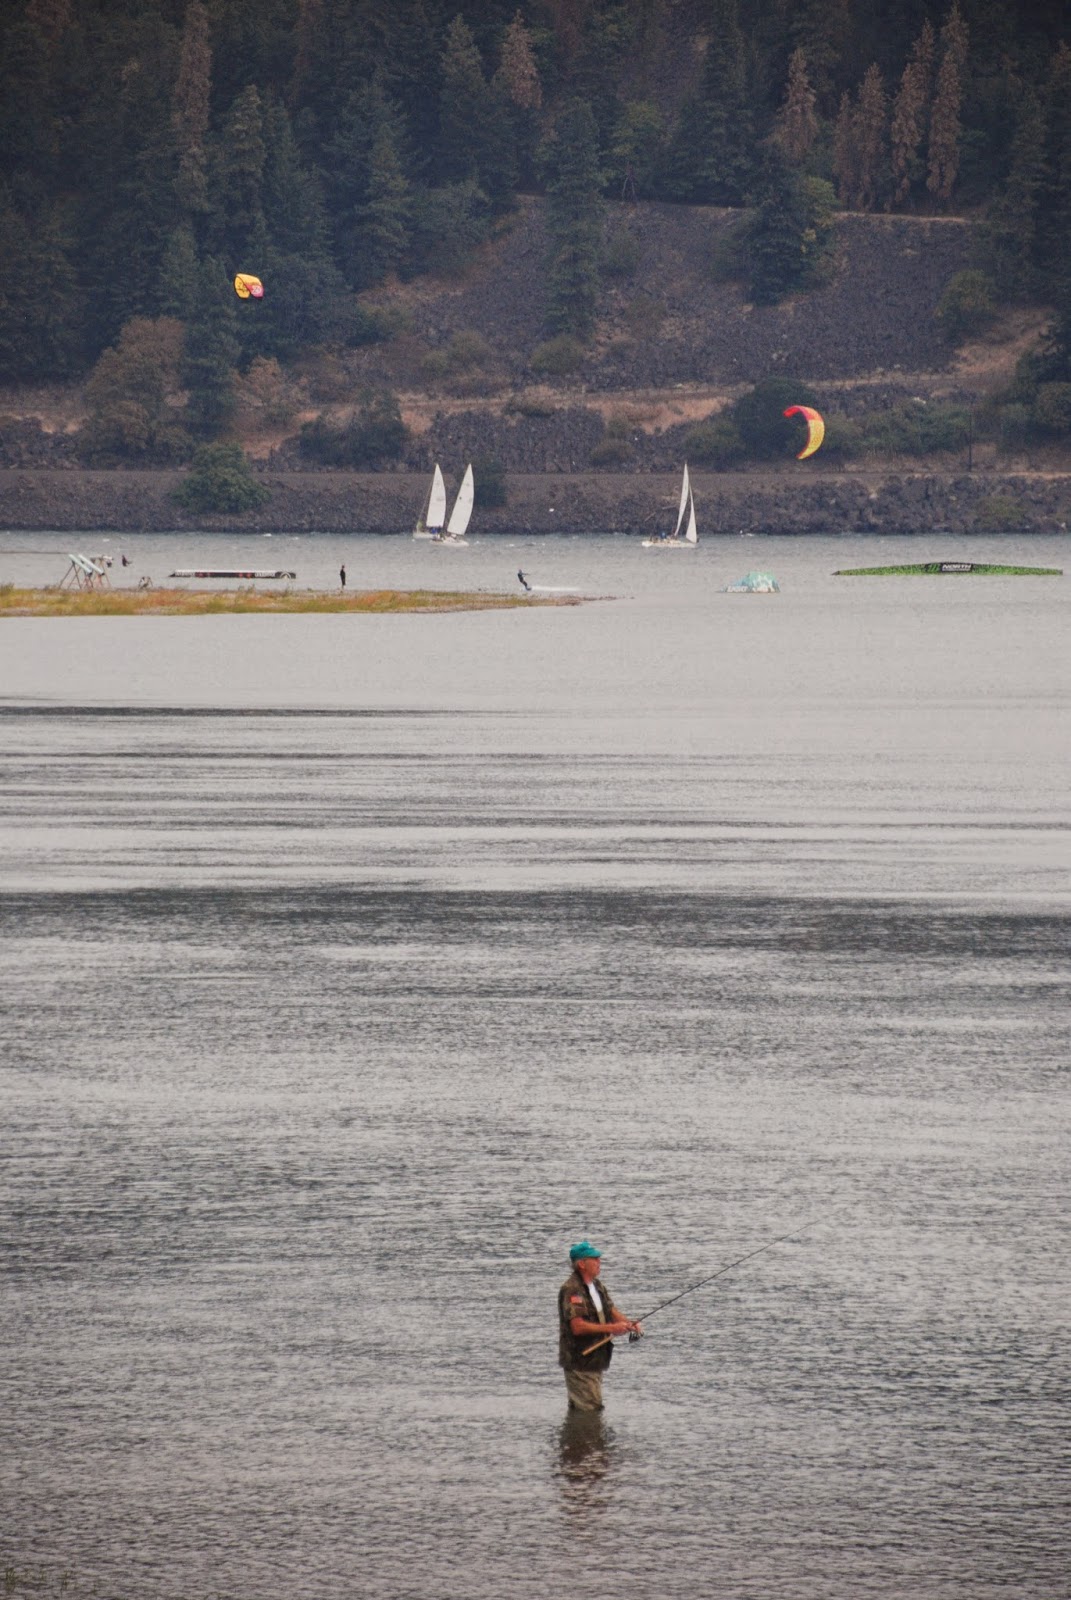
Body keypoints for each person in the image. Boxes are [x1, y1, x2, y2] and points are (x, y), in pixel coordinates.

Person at [558, 1240, 641, 1412]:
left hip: (595, 1360)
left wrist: (629, 1323)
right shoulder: (573, 1290)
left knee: (585, 1409)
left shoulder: (597, 1286)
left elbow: (610, 1310)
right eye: (594, 1259)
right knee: (591, 1409)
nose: (599, 1262)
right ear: (581, 1264)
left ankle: (578, 1438)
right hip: (580, 1361)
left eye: (599, 1259)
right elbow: (578, 1327)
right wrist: (612, 1329)